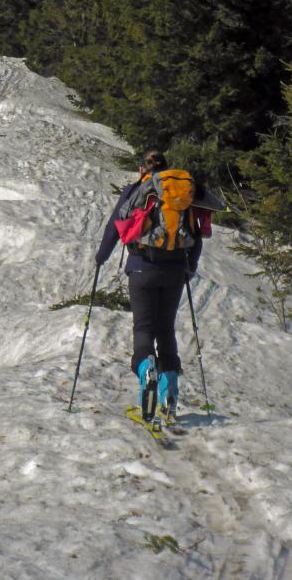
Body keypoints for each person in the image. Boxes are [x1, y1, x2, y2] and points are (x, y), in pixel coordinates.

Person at [95, 150, 204, 419]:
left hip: (142, 267)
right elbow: (197, 234)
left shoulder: (140, 190)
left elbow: (115, 225)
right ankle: (170, 393)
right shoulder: (181, 194)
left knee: (143, 327)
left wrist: (101, 258)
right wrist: (189, 267)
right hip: (176, 270)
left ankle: (147, 372)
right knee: (166, 329)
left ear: (141, 168)